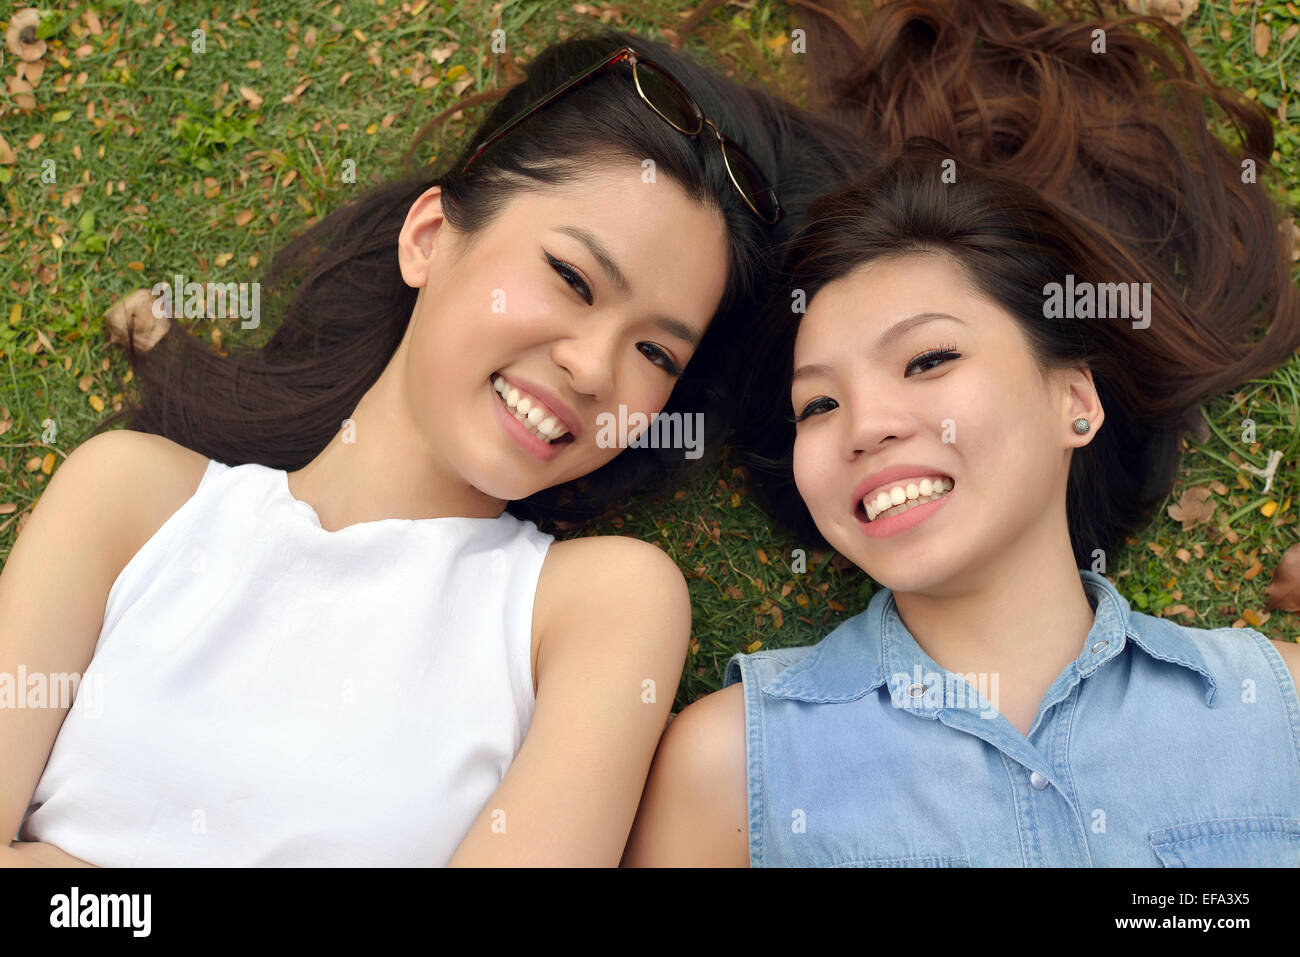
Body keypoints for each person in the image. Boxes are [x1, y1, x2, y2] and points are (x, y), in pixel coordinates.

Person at [0, 27, 861, 867]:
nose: (594, 366)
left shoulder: (596, 608)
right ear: (429, 238)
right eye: (571, 277)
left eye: (656, 353)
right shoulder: (130, 499)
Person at [622, 1, 1300, 867]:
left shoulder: (1274, 710)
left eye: (927, 359)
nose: (863, 426)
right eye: (817, 405)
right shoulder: (729, 769)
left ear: (1074, 400)